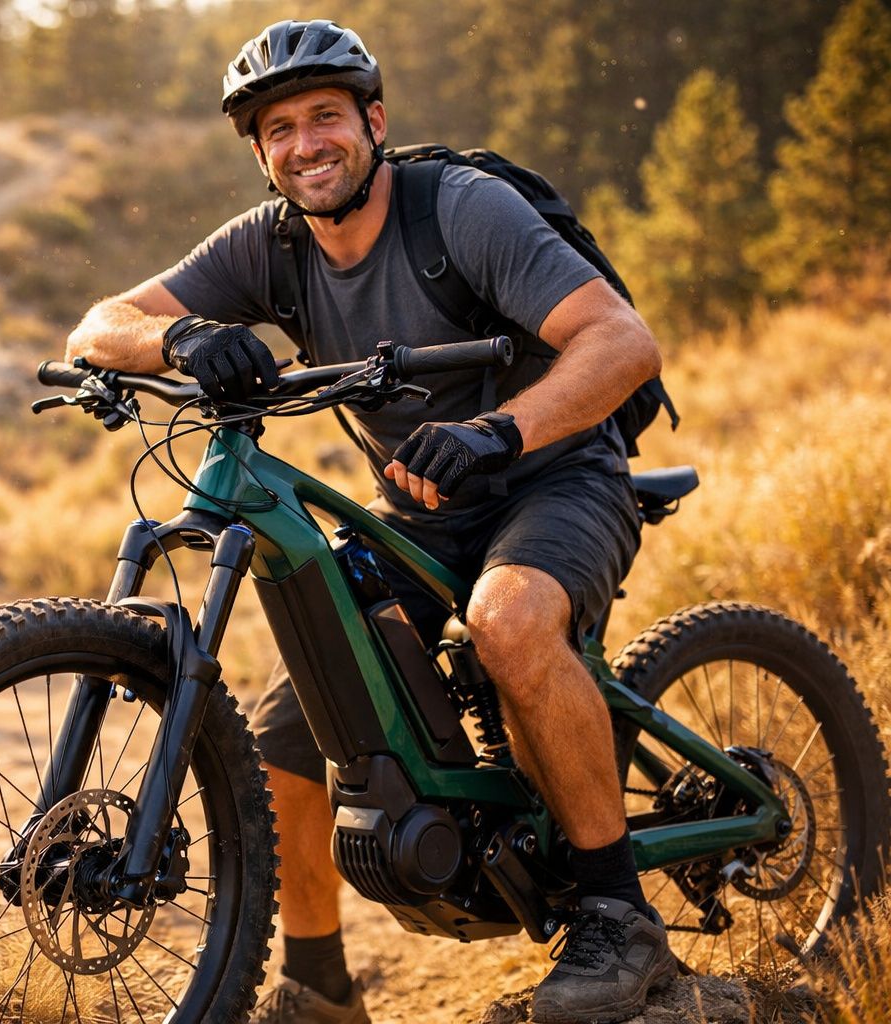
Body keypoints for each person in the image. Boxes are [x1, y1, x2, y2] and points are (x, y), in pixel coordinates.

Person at [63, 17, 676, 1024]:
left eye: (325, 117)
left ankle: (619, 917)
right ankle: (318, 987)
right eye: (278, 129)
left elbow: (622, 341)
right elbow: (99, 322)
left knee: (509, 623)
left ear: (373, 121)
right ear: (260, 154)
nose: (306, 144)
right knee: (288, 730)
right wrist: (183, 337)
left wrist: (500, 433)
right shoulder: (271, 243)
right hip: (418, 510)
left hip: (555, 476)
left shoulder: (462, 212)